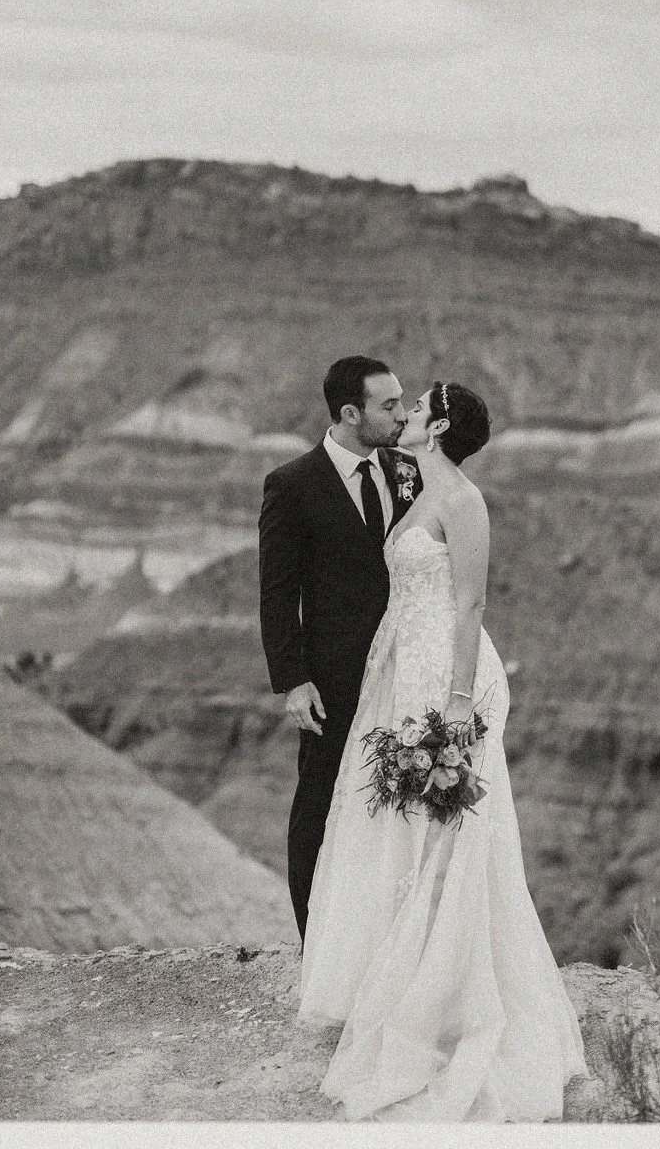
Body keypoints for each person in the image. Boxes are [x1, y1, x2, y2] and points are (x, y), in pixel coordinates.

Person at [298, 381, 588, 1122]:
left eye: (418, 407)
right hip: (402, 673)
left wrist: (457, 704)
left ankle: (446, 1000)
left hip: (450, 682)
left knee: (451, 838)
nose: (406, 416)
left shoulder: (463, 501)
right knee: (399, 829)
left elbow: (471, 603)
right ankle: (394, 982)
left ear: (442, 425)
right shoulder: (415, 488)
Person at [258, 355, 421, 943]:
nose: (402, 415)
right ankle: (315, 946)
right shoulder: (292, 484)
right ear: (350, 413)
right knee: (319, 809)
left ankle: (382, 944)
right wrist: (293, 680)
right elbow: (277, 593)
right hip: (331, 681)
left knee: (398, 807)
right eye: (389, 406)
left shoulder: (408, 473)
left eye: (403, 403)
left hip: (405, 672)